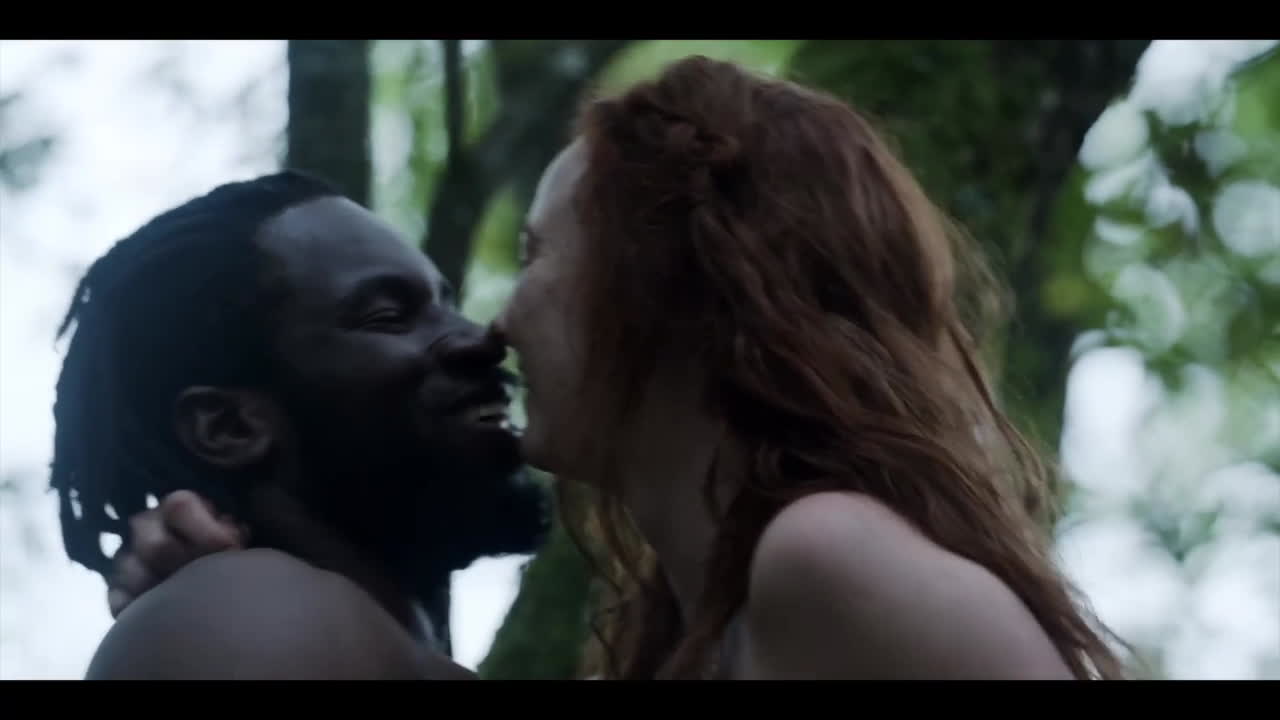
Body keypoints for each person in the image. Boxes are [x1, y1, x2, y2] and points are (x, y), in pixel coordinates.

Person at [105, 56, 1131, 679]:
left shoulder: (825, 557)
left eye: (536, 256)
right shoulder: (719, 621)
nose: (493, 327)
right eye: (387, 313)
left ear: (668, 278)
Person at [50, 171, 547, 679]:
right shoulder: (247, 620)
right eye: (387, 315)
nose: (481, 339)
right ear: (230, 427)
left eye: (447, 306)